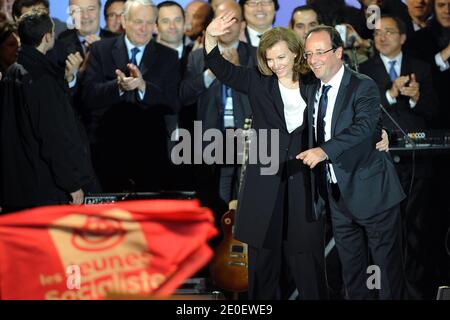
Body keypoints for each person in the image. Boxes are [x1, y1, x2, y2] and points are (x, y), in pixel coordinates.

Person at [204, 10, 329, 300]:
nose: (275, 65)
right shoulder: (258, 82)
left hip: (305, 180)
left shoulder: (316, 84)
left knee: (307, 260)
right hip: (264, 184)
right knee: (263, 264)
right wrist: (211, 35)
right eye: (270, 59)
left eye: (281, 58)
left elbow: (346, 111)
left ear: (297, 54)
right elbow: (219, 66)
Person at [297, 25, 407, 299]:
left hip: (373, 193)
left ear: (339, 52)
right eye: (309, 54)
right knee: (352, 271)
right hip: (336, 196)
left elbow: (365, 126)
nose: (313, 60)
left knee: (386, 273)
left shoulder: (362, 84)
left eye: (320, 52)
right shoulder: (311, 88)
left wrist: (324, 151)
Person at [360, 15, 438, 299]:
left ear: (403, 37)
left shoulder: (422, 68)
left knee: (416, 232)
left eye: (389, 32)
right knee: (383, 234)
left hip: (418, 166)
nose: (382, 37)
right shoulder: (362, 71)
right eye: (378, 33)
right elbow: (360, 112)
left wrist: (417, 97)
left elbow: (435, 110)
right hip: (378, 164)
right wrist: (390, 94)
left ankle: (415, 292)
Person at [1, 10, 97, 213]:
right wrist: (72, 183)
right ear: (47, 36)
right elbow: (53, 138)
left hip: (16, 190)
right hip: (44, 191)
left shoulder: (12, 72)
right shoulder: (42, 79)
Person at [81, 0, 181, 192]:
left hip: (150, 154)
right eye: (137, 22)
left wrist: (144, 87)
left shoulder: (168, 56)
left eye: (149, 23)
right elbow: (87, 96)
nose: (143, 28)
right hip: (106, 150)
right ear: (124, 21)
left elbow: (173, 103)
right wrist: (117, 86)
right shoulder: (100, 50)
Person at [180, 0, 254, 217]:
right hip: (210, 139)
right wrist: (214, 70)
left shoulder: (257, 55)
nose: (227, 26)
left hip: (247, 137)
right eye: (222, 20)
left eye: (234, 20)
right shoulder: (196, 57)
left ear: (242, 25)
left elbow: (264, 98)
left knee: (245, 202)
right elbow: (184, 95)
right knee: (215, 203)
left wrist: (237, 71)